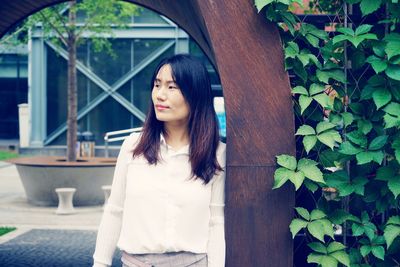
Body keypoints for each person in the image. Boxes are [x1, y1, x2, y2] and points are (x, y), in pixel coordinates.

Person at [93, 54, 226, 267]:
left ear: (195, 94)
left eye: (171, 87)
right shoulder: (132, 147)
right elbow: (114, 211)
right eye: (157, 85)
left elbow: (216, 222)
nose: (159, 95)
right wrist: (100, 264)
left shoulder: (217, 152)